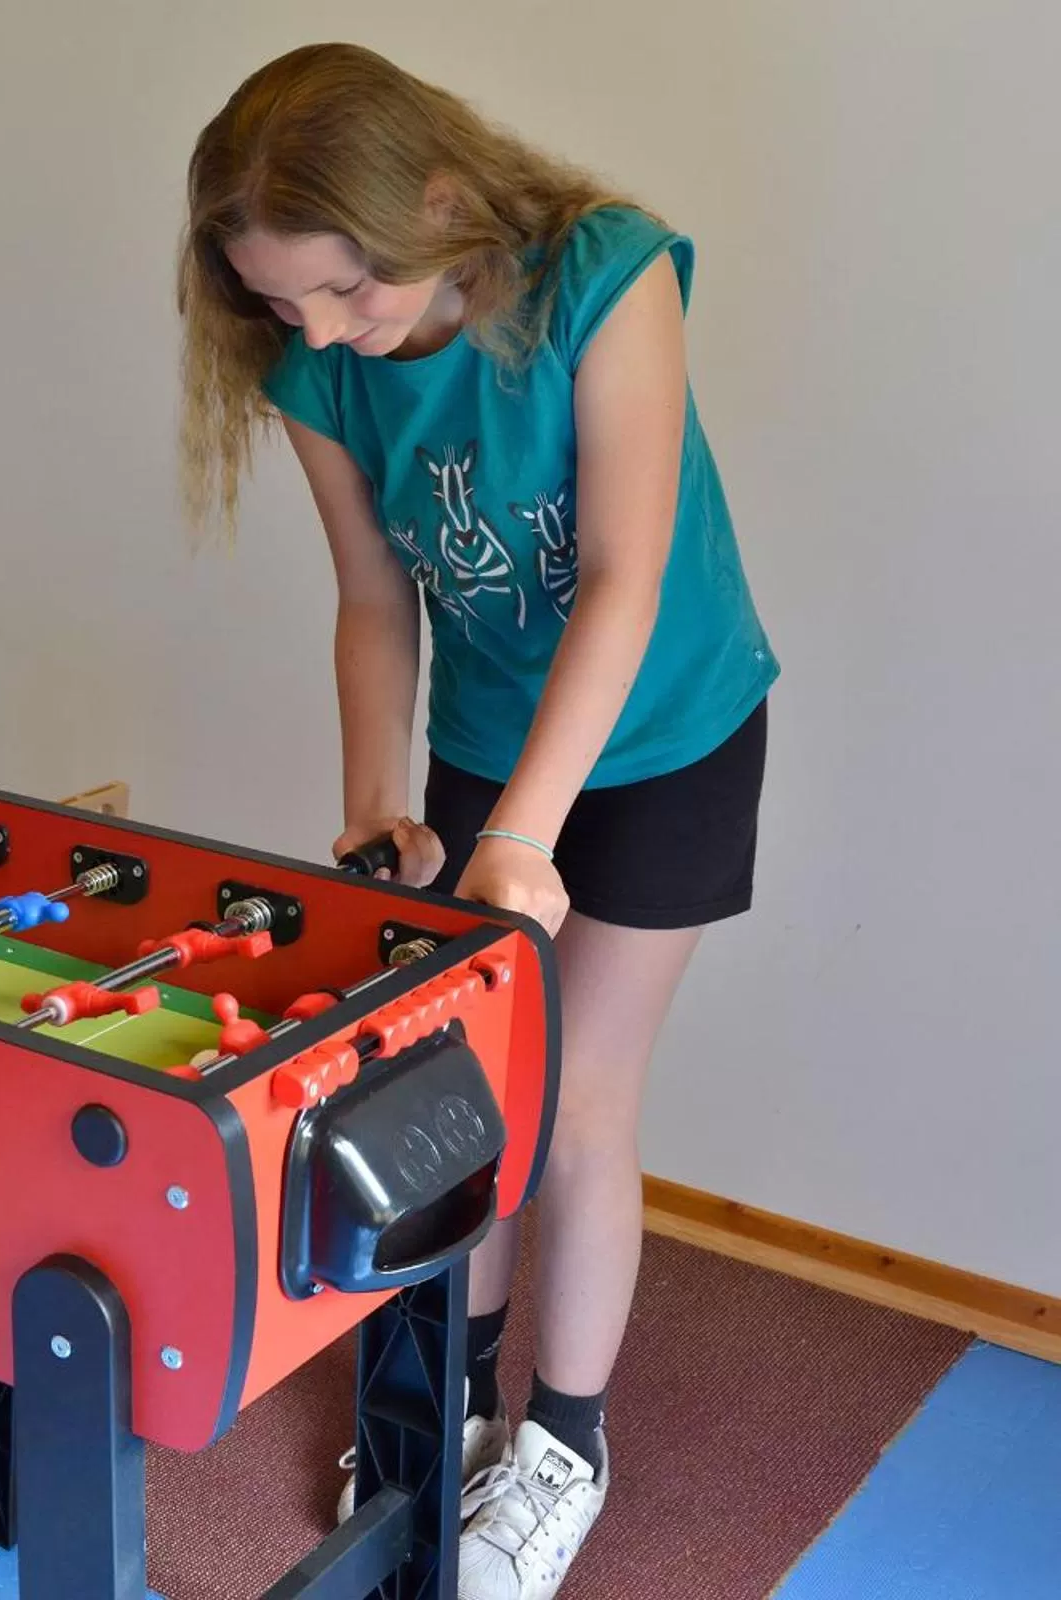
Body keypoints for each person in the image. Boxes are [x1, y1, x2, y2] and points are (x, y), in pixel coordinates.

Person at [176, 43, 775, 1600]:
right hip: (484, 749)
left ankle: (562, 1447)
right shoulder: (313, 364)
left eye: (343, 296)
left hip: (667, 730)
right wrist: (385, 805)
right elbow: (374, 601)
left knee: (577, 1102)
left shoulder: (603, 275)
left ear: (432, 206)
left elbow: (627, 578)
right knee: (457, 1099)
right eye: (281, 305)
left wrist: (530, 833)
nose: (317, 333)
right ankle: (437, 1394)